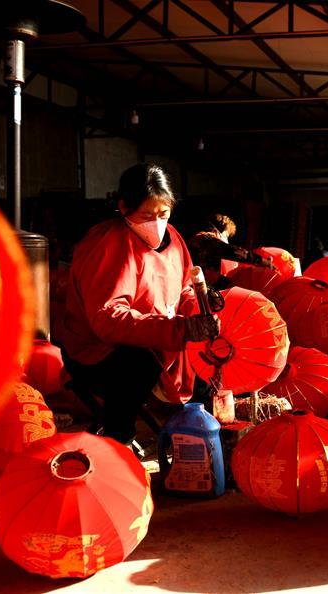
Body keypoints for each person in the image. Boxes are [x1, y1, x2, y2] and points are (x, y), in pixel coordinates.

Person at [61, 163, 220, 444]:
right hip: (97, 352)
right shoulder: (108, 245)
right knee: (136, 363)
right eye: (147, 215)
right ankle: (117, 439)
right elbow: (108, 320)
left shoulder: (175, 240)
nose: (157, 223)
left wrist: (201, 309)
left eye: (163, 213)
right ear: (123, 208)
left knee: (210, 355)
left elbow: (184, 290)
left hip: (157, 337)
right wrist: (180, 330)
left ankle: (207, 434)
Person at [187, 213, 273, 288]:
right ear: (222, 226)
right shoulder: (206, 239)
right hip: (196, 286)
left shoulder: (201, 239)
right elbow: (234, 252)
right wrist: (263, 261)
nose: (226, 241)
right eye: (226, 236)